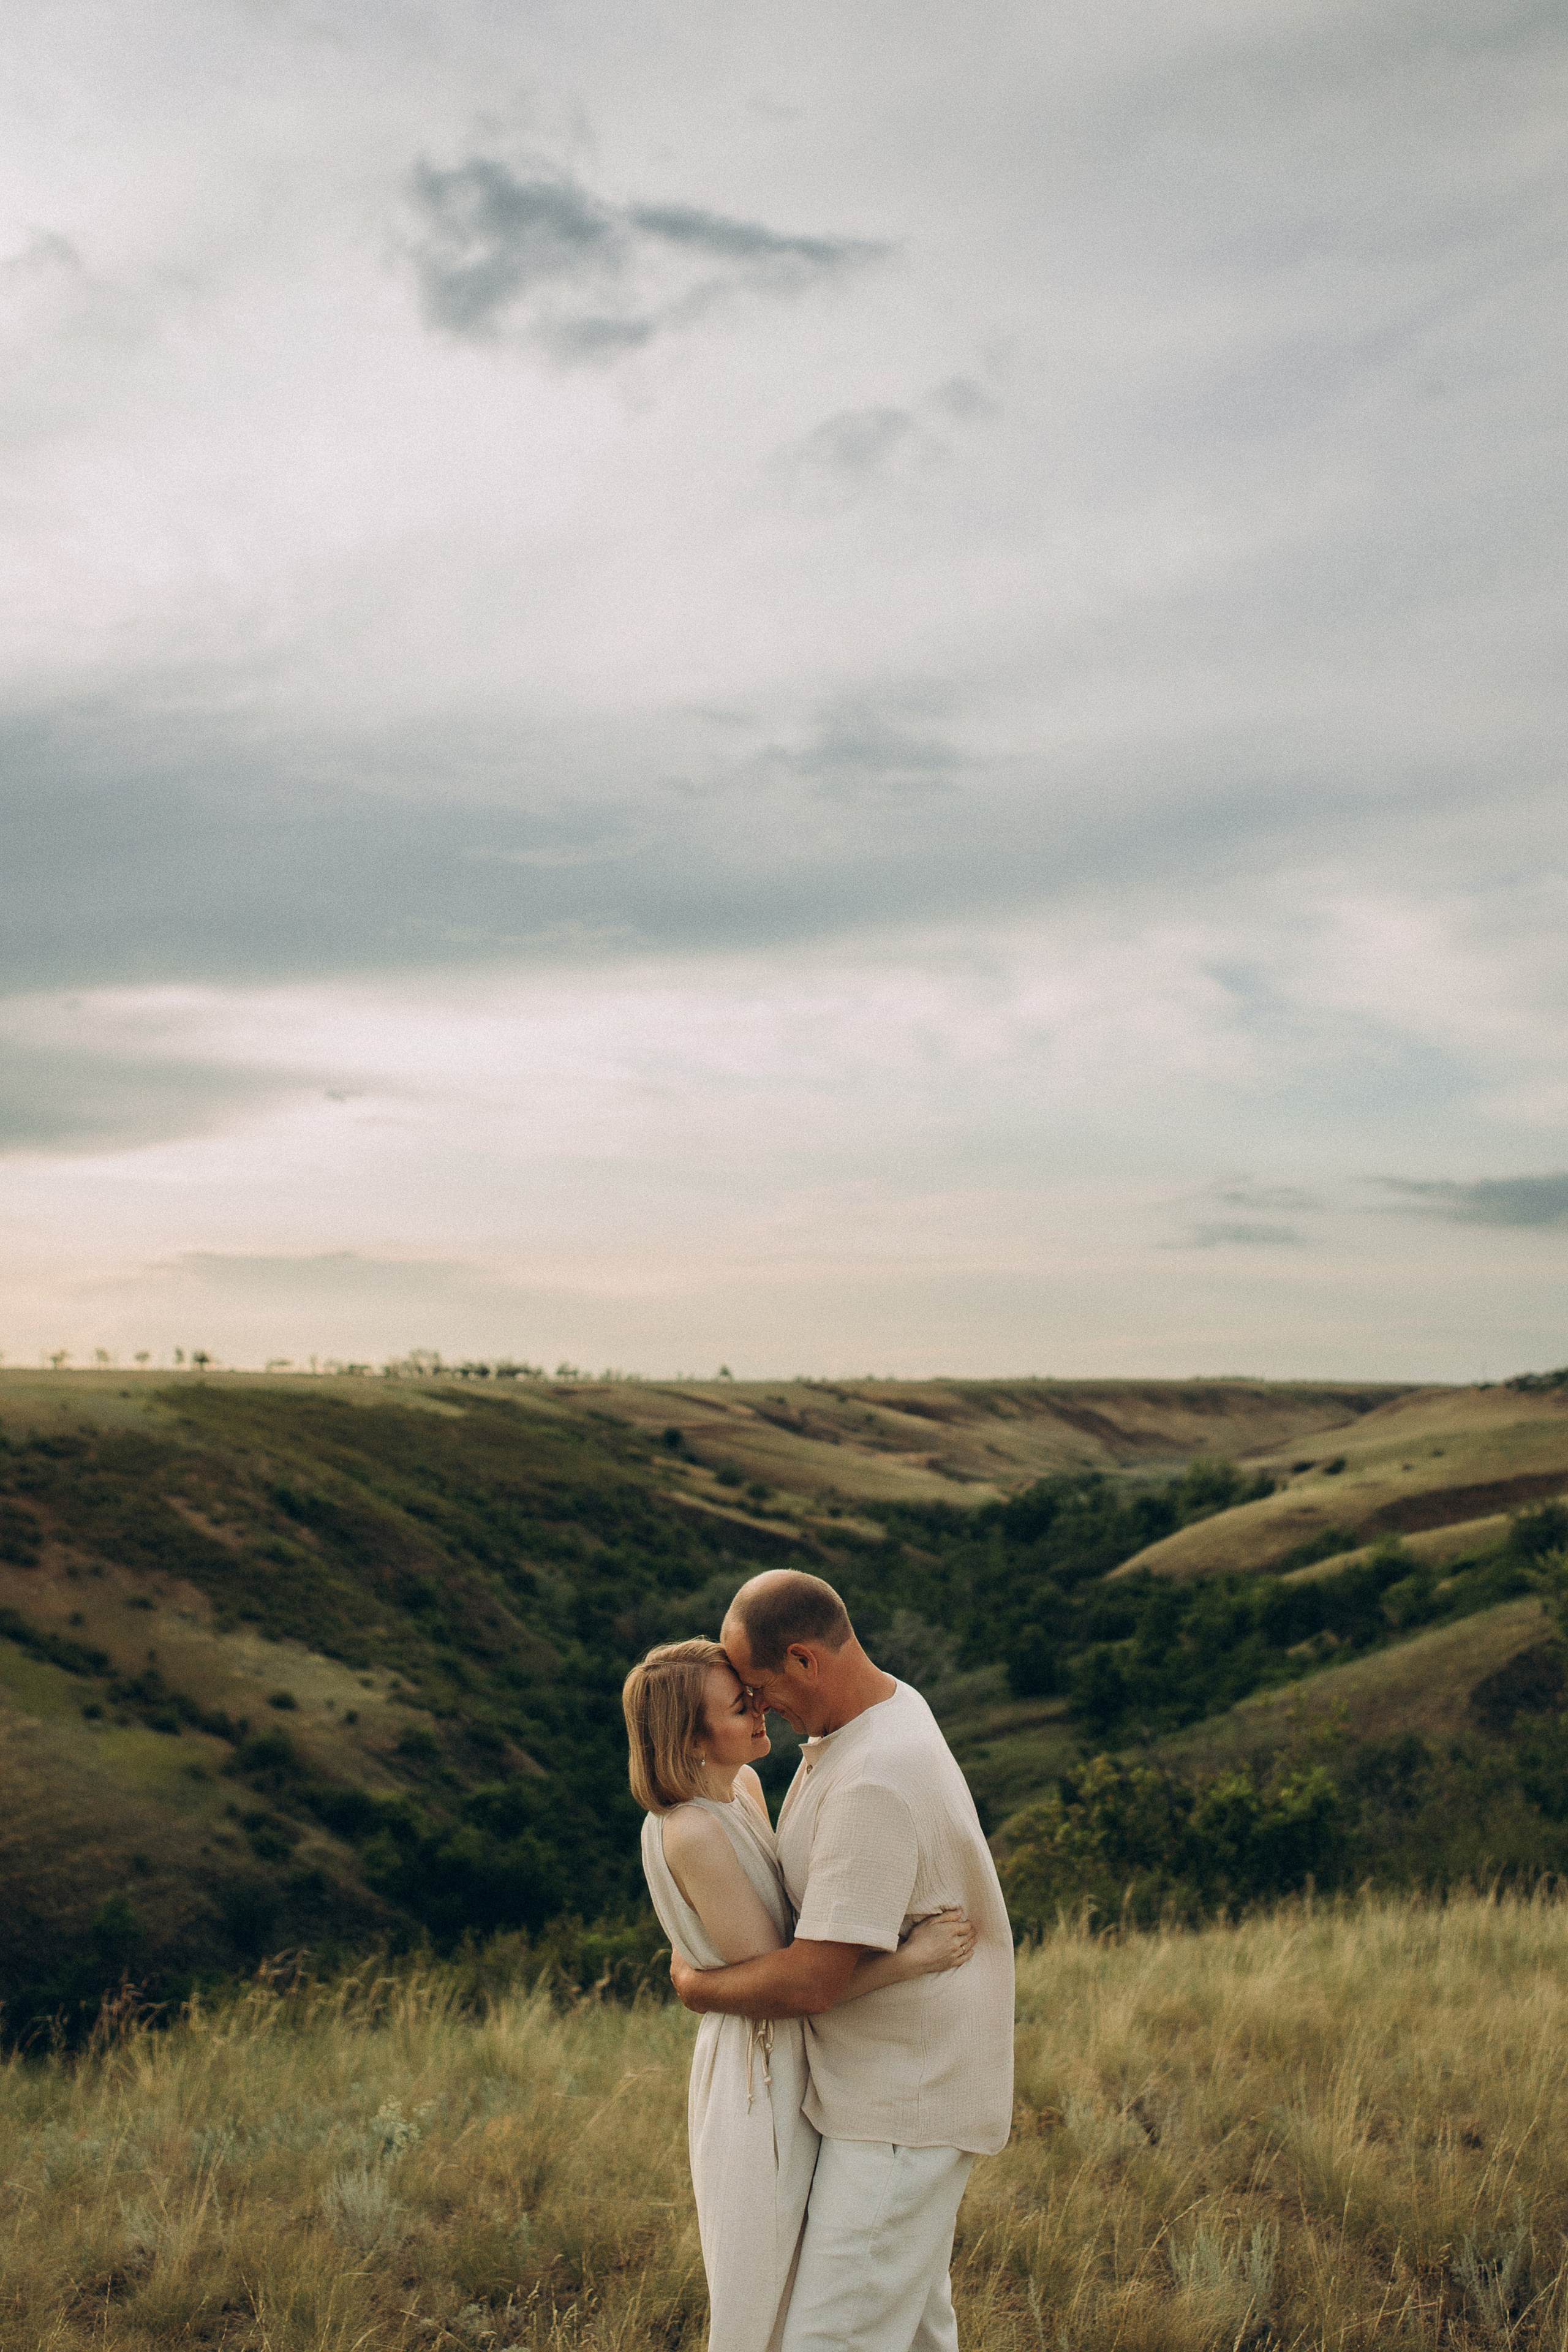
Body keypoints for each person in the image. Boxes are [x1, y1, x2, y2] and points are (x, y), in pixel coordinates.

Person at [668, 1575, 1015, 2352]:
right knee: (914, 2331)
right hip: (883, 2086)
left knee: (832, 2338)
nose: (759, 1709)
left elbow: (813, 1980)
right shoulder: (886, 1710)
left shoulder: (872, 1780)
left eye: (759, 1689)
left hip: (902, 2100)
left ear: (802, 1659)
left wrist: (697, 1987)